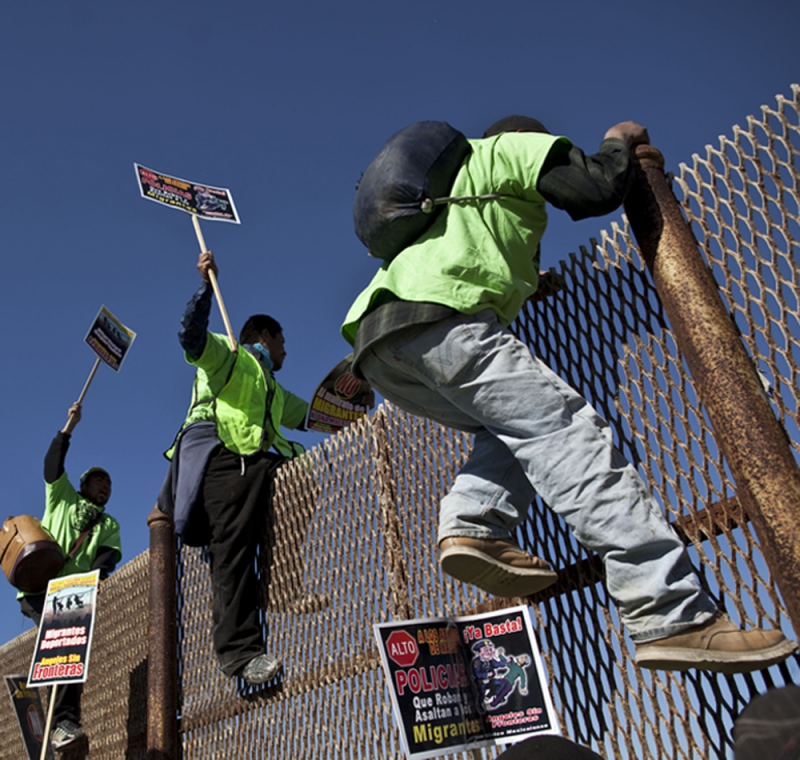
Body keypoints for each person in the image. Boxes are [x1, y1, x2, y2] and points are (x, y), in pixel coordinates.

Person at [341, 115, 797, 673]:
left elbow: (495, 257)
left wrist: (538, 282)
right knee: (569, 439)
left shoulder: (454, 202)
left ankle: (471, 524)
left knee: (510, 432)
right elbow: (594, 188)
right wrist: (618, 141)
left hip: (380, 345)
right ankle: (672, 612)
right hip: (448, 320)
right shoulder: (510, 148)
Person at [158, 251, 308, 685]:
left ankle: (283, 584)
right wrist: (207, 287)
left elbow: (319, 414)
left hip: (261, 464)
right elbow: (190, 337)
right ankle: (240, 654)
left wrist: (362, 390)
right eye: (282, 339)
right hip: (225, 462)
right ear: (265, 334)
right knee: (232, 552)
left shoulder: (274, 389)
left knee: (304, 482)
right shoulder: (230, 354)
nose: (286, 349)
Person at [19, 402, 122, 752]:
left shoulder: (108, 523)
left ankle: (62, 725)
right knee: (62, 646)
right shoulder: (62, 497)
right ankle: (62, 724)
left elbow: (107, 557)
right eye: (98, 480)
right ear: (83, 484)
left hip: (72, 594)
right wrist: (68, 428)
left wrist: (94, 579)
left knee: (68, 652)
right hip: (38, 586)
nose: (104, 486)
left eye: (108, 483)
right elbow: (52, 465)